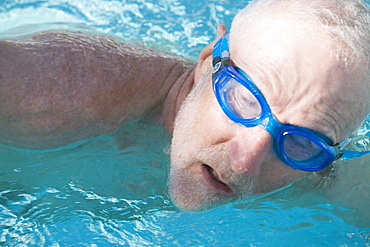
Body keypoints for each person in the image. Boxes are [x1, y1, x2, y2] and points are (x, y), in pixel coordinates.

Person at [0, 0, 369, 212]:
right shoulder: (65, 90)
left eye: (301, 142)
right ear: (207, 62)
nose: (246, 162)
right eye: (242, 98)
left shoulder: (312, 176)